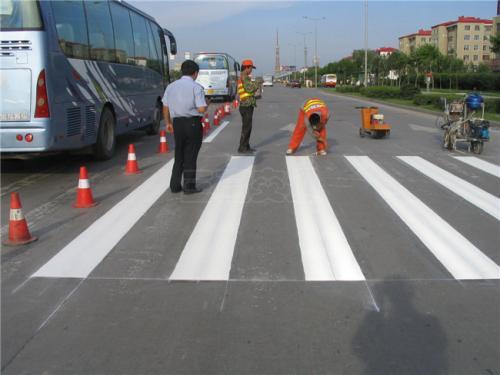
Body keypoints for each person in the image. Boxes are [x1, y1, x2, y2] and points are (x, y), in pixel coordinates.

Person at [162, 60, 208, 194]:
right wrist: (207, 104)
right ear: (195, 73)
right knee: (191, 155)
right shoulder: (196, 87)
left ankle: (175, 186)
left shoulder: (170, 87)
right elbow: (201, 109)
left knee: (179, 154)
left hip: (177, 123)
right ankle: (189, 187)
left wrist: (168, 123)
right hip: (192, 123)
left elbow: (165, 107)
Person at [237, 59, 260, 154]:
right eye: (251, 68)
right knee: (246, 127)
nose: (251, 70)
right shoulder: (244, 77)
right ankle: (242, 147)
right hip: (246, 105)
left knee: (247, 127)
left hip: (245, 105)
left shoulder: (243, 76)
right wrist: (258, 82)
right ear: (246, 67)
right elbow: (250, 89)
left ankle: (246, 146)